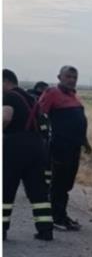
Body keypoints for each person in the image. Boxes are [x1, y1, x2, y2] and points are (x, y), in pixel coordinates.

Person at [3, 69, 54, 241]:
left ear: (5, 81)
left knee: (6, 188)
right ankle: (45, 230)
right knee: (38, 190)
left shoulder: (9, 96)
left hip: (15, 146)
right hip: (36, 145)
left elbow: (5, 118)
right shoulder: (31, 98)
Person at [38, 65, 91, 230]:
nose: (72, 80)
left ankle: (62, 214)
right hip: (60, 146)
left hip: (74, 147)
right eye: (68, 76)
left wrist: (85, 142)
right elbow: (39, 115)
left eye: (75, 77)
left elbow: (79, 122)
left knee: (67, 183)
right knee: (59, 183)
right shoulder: (52, 93)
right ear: (59, 77)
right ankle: (56, 217)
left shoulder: (74, 96)